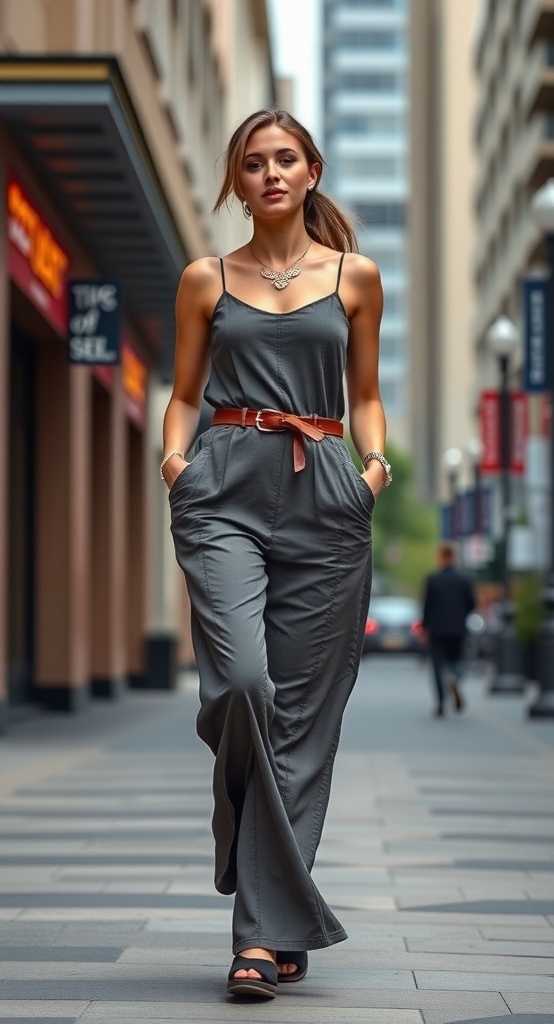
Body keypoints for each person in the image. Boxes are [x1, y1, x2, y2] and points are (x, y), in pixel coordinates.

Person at [161, 108, 391, 999]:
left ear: (312, 169)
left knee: (301, 720)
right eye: (253, 163)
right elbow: (182, 394)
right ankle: (260, 870)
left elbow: (364, 393)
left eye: (285, 159)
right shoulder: (204, 278)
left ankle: (260, 936)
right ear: (237, 179)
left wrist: (372, 469)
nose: (271, 174)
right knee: (247, 685)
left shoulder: (355, 277)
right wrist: (175, 463)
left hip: (325, 495)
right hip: (223, 487)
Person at [421, 543, 475, 717]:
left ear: (441, 558)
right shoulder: (465, 579)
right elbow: (471, 604)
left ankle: (441, 704)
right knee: (458, 662)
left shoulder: (433, 579)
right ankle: (455, 679)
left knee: (437, 667)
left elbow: (427, 607)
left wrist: (425, 628)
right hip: (458, 629)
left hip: (437, 631)